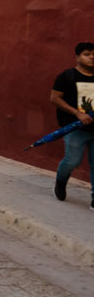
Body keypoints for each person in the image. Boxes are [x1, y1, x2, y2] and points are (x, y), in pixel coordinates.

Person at [50, 42, 94, 206]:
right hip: (74, 127)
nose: (91, 57)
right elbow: (54, 98)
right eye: (87, 54)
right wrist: (77, 113)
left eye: (93, 54)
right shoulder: (67, 76)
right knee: (72, 161)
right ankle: (61, 181)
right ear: (77, 57)